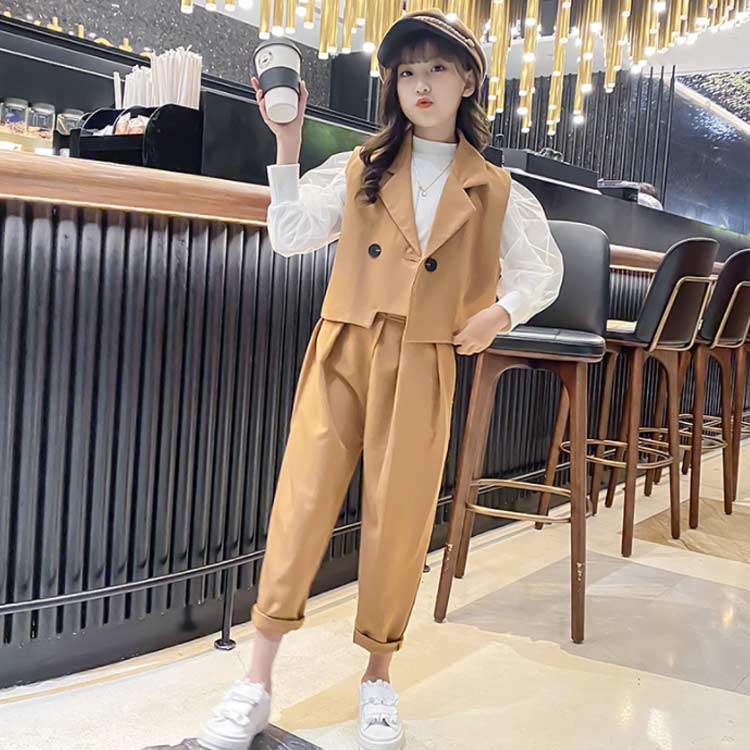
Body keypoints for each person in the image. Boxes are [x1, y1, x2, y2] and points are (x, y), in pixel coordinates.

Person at [198, 10, 563, 750]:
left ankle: (377, 679)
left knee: (400, 518)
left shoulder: (496, 189)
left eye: (437, 68)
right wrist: (287, 143)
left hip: (425, 358)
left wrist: (498, 315)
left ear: (469, 80)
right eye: (406, 72)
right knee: (301, 501)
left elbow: (542, 271)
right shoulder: (360, 166)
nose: (420, 84)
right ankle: (255, 681)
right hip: (344, 345)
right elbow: (290, 237)